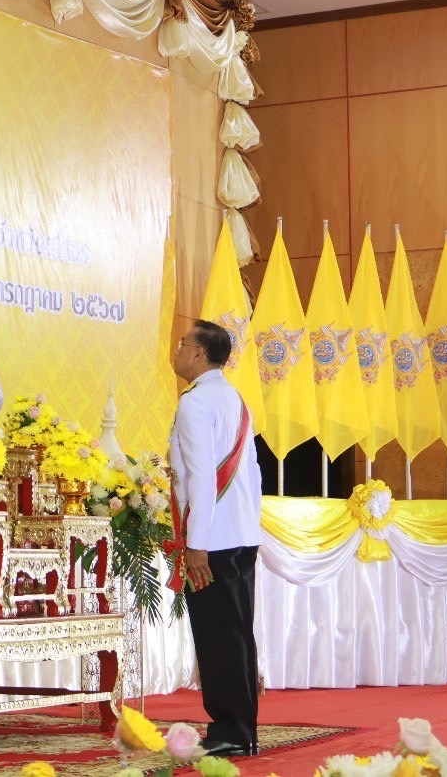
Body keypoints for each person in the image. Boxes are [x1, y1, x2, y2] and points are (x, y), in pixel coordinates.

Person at [168, 319, 264, 758]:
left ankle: (230, 729)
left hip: (213, 541)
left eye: (184, 344)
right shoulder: (234, 398)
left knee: (219, 636)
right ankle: (243, 727)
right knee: (238, 632)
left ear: (200, 355)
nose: (178, 349)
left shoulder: (195, 403)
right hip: (240, 533)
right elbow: (253, 475)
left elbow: (203, 477)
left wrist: (195, 544)